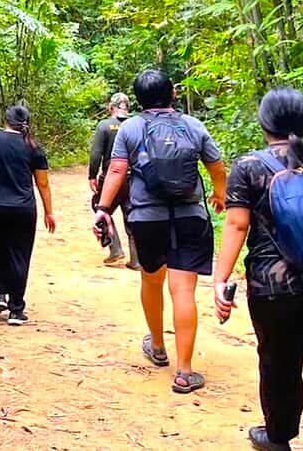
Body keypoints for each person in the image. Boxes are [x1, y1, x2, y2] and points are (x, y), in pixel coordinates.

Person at [213, 88, 303, 451]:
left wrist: (220, 279)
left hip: (273, 288)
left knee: (278, 363)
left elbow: (236, 226)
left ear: (264, 124)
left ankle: (278, 437)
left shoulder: (249, 167)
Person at [92, 69, 227, 393]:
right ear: (174, 94)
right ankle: (184, 371)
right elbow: (217, 166)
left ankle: (157, 346)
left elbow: (116, 169)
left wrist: (103, 208)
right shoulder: (193, 125)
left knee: (152, 280)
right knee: (183, 290)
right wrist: (219, 193)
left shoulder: (131, 127)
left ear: (136, 100)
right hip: (190, 215)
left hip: (146, 218)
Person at [0, 104, 56, 326]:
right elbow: (42, 183)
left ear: (5, 120)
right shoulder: (33, 146)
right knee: (20, 254)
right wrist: (49, 212)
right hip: (23, 209)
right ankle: (16, 309)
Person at [89, 92, 140, 268]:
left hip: (111, 178)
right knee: (131, 214)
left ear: (110, 108)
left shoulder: (104, 126)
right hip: (133, 178)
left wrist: (92, 175)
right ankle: (136, 259)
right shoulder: (137, 125)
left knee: (101, 208)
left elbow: (96, 154)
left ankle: (114, 248)